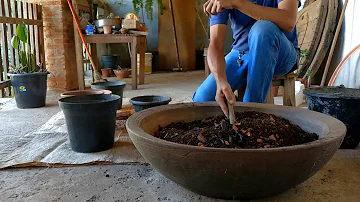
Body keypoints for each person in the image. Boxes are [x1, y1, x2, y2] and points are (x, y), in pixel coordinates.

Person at [192, 0, 301, 118]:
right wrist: (220, 80)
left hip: (281, 53)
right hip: (241, 54)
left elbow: (288, 21)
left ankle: (251, 114)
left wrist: (236, 3)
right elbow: (216, 44)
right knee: (202, 101)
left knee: (263, 28)